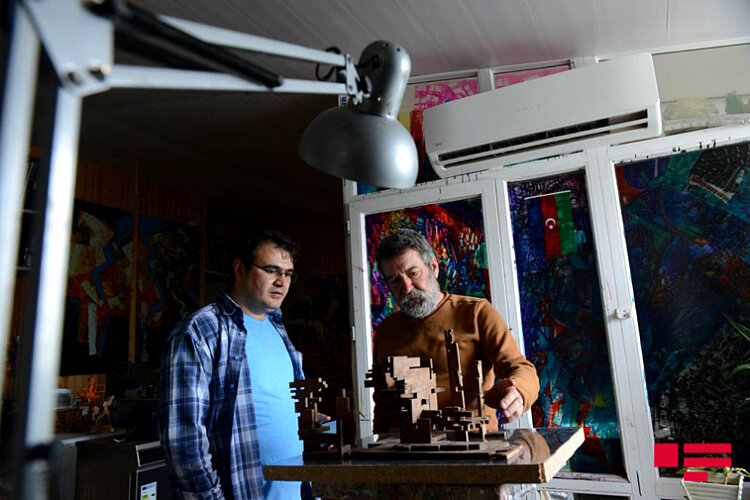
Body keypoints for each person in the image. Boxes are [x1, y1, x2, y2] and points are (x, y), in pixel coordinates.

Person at [159, 229, 305, 500]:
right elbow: (184, 439)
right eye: (271, 270)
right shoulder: (201, 331)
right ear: (240, 269)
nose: (282, 282)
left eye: (288, 274)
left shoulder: (278, 327)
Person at [372, 228, 539, 432]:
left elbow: (520, 367)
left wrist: (518, 391)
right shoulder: (385, 332)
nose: (407, 288)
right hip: (405, 447)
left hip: (474, 444)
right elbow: (382, 405)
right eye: (395, 281)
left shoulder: (476, 313)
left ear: (433, 267)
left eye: (413, 273)